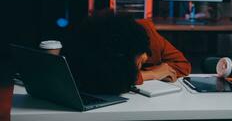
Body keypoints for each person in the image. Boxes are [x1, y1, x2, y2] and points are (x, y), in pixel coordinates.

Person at [63, 10, 191, 94]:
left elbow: (183, 66)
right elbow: (104, 79)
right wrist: (151, 74)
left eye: (141, 62)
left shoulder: (149, 36)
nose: (139, 66)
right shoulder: (97, 40)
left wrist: (146, 72)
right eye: (138, 64)